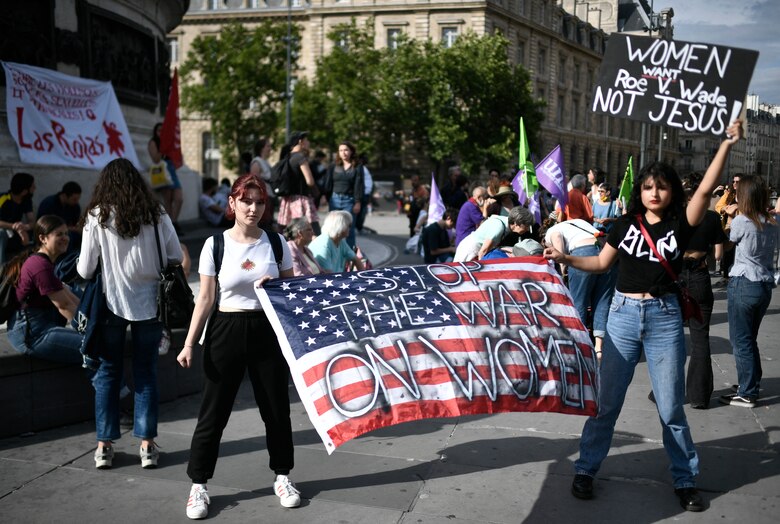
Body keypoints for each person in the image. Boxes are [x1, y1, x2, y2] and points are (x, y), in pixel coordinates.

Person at [543, 120, 743, 512]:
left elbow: (705, 190)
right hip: (621, 315)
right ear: (640, 191)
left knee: (670, 407)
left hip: (664, 316)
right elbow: (602, 263)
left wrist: (725, 145)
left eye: (662, 186)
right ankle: (586, 469)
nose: (654, 193)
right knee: (607, 403)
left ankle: (685, 480)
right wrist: (566, 258)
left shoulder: (681, 225)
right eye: (648, 187)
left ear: (671, 192)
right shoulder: (625, 224)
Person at [177, 174, 301, 519]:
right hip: (226, 328)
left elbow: (291, 294)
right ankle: (198, 485)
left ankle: (283, 476)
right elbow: (204, 298)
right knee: (213, 412)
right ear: (232, 203)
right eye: (246, 201)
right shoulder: (215, 244)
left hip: (266, 329)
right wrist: (189, 343)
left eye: (259, 202)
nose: (253, 208)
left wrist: (274, 285)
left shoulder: (276, 243)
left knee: (276, 410)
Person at [78, 158, 183, 471]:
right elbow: (176, 254)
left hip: (111, 303)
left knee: (108, 373)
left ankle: (104, 446)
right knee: (146, 373)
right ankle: (147, 446)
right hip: (151, 304)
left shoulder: (97, 216)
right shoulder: (156, 213)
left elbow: (85, 269)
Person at [720, 174, 778, 408]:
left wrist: (733, 213)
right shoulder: (773, 223)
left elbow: (731, 239)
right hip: (764, 284)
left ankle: (748, 392)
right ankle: (750, 381)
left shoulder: (742, 221)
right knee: (749, 338)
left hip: (744, 282)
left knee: (740, 340)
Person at [6, 215, 84, 366]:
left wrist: (92, 321)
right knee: (95, 346)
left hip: (41, 326)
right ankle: (115, 389)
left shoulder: (47, 262)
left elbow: (70, 298)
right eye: (59, 234)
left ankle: (111, 388)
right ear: (43, 238)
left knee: (74, 289)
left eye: (66, 234)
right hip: (32, 335)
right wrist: (90, 329)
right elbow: (65, 306)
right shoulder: (39, 266)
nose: (65, 238)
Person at [679, 172, 727, 409]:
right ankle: (698, 396)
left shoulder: (675, 216)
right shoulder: (711, 218)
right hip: (699, 274)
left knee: (669, 337)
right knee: (701, 337)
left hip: (675, 277)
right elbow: (718, 254)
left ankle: (665, 391)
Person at [543, 218, 616, 355]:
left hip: (583, 252)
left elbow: (557, 238)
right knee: (603, 301)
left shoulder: (551, 232)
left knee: (578, 302)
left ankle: (582, 346)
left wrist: (563, 266)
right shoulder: (576, 221)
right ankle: (599, 347)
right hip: (606, 251)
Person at [453, 206, 534, 262]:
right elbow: (483, 252)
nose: (527, 229)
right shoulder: (499, 227)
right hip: (470, 250)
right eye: (526, 226)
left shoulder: (504, 224)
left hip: (474, 249)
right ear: (517, 223)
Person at [277, 131, 320, 235]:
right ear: (301, 142)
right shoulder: (300, 157)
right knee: (313, 232)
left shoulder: (287, 157)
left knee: (291, 234)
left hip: (287, 201)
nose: (308, 142)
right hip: (301, 200)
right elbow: (310, 181)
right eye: (307, 140)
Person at [324, 140, 364, 249]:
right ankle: (332, 252)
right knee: (333, 228)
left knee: (349, 230)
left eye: (346, 150)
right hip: (334, 199)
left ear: (351, 151)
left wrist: (358, 202)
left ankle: (350, 257)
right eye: (341, 150)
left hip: (350, 201)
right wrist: (324, 197)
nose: (343, 153)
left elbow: (359, 185)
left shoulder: (357, 167)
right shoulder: (333, 166)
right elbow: (328, 183)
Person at [148, 123, 184, 235]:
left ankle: (173, 221)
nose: (160, 133)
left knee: (179, 198)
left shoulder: (170, 142)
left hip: (171, 170)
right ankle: (171, 226)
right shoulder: (153, 142)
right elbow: (155, 159)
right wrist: (163, 147)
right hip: (162, 171)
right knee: (167, 201)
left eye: (162, 131)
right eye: (158, 131)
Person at [0, 172, 35, 264]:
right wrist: (15, 227)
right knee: (1, 234)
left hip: (17, 230)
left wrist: (25, 227)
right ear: (24, 191)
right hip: (6, 230)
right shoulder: (3, 198)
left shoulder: (26, 201)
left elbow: (31, 220)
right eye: (32, 186)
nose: (34, 188)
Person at [37, 181, 82, 251]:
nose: (76, 202)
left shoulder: (75, 207)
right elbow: (43, 226)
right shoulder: (49, 204)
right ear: (65, 195)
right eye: (74, 199)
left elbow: (76, 224)